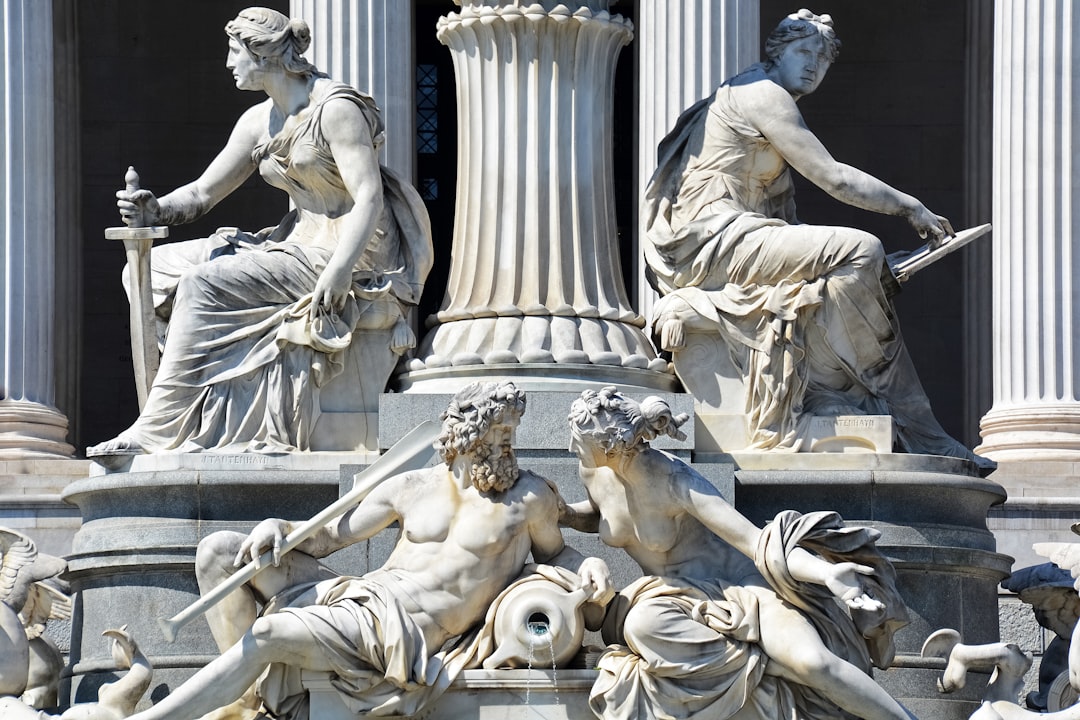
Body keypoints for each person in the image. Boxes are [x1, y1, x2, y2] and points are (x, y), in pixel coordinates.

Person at [125, 381, 611, 720]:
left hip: (404, 633)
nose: (509, 444)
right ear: (466, 434)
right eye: (499, 433)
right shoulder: (412, 486)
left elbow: (555, 557)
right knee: (221, 551)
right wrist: (281, 526)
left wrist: (588, 565)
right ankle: (249, 700)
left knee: (272, 630)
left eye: (512, 434)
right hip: (362, 599)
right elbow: (327, 538)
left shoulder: (528, 497)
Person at [643, 9, 992, 472]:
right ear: (777, 52)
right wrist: (911, 207)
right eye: (802, 51)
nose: (812, 65)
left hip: (729, 238)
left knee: (861, 270)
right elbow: (833, 178)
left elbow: (786, 222)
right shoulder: (762, 95)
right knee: (859, 250)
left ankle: (884, 412)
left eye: (822, 58)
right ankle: (914, 424)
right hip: (712, 243)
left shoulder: (756, 94)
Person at [88, 7, 432, 460]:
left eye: (234, 51)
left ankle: (155, 428)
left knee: (201, 283)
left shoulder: (336, 110)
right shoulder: (258, 121)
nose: (228, 63)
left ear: (263, 53)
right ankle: (188, 405)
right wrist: (155, 208)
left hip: (349, 250)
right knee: (149, 273)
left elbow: (369, 197)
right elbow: (201, 194)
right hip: (297, 244)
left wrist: (340, 270)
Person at [564, 386, 914, 720]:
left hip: (738, 588)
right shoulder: (594, 471)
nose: (569, 447)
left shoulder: (674, 480)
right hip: (670, 594)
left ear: (612, 446)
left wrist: (826, 574)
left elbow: (757, 542)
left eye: (579, 442)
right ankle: (767, 662)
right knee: (641, 625)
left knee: (813, 664)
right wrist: (564, 514)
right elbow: (603, 514)